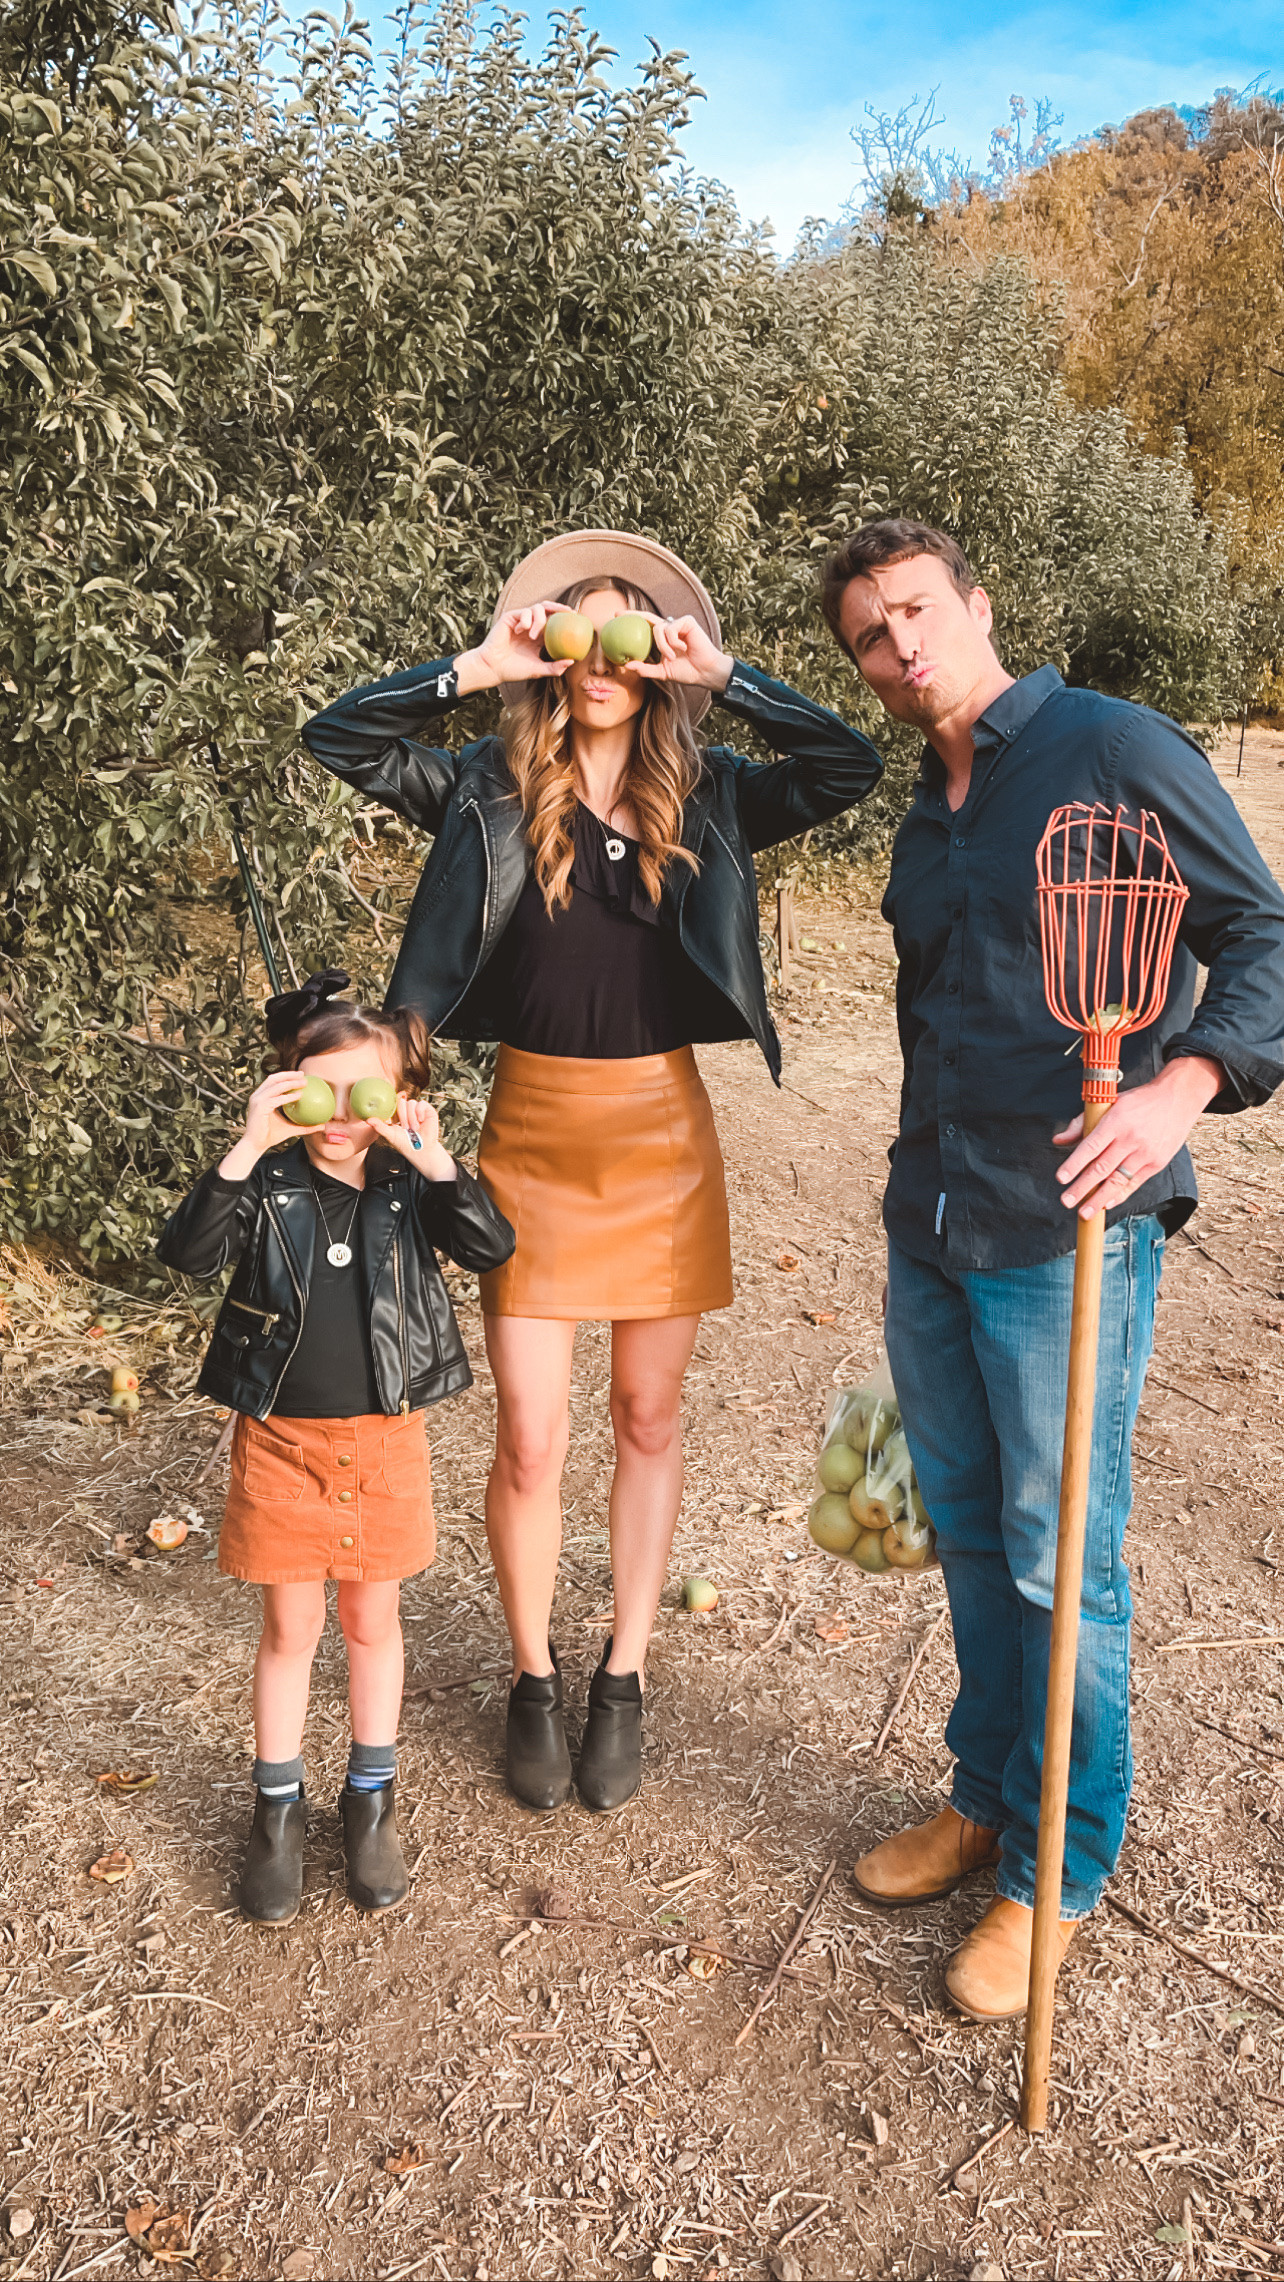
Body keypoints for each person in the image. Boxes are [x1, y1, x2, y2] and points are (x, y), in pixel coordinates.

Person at [302, 529, 883, 1814]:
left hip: (661, 1137)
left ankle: (622, 1671)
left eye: (631, 628)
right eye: (581, 625)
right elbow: (336, 736)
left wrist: (721, 674)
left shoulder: (715, 787)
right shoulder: (484, 783)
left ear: (659, 658)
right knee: (530, 1431)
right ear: (553, 648)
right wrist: (474, 664)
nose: (603, 650)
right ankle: (528, 1672)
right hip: (531, 1133)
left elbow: (851, 763)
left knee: (647, 1418)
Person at [818, 516, 1284, 2018]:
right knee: (958, 1529)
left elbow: (1265, 931)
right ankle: (984, 1794)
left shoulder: (1110, 748)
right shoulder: (922, 814)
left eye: (914, 613)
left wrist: (1180, 1087)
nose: (901, 649)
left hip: (1069, 1226)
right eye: (870, 640)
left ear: (978, 602)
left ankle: (1058, 1871)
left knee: (1057, 1560)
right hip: (933, 1220)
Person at [156, 976, 515, 1924]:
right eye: (322, 1090)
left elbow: (490, 1248)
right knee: (289, 1632)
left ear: (397, 1098)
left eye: (367, 1094)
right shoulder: (267, 1178)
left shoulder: (407, 1184)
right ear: (288, 1087)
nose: (343, 1116)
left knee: (372, 1627)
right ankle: (276, 1810)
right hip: (279, 1443)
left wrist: (439, 1165)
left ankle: (369, 1802)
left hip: (385, 1441)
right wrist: (246, 1144)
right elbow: (187, 1254)